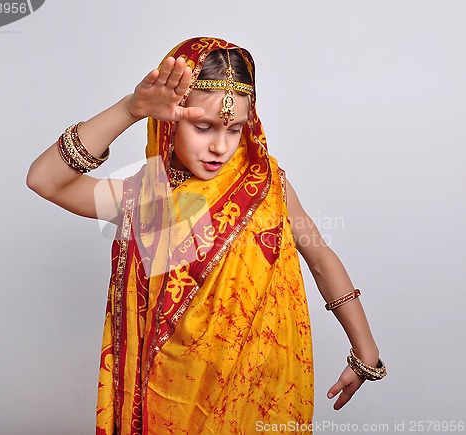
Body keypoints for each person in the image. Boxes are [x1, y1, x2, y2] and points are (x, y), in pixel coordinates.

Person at [27, 37, 386, 435]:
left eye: (234, 130)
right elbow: (46, 181)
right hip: (171, 402)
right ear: (169, 121)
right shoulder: (148, 200)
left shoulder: (265, 186)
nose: (220, 146)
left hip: (256, 393)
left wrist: (364, 348)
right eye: (203, 127)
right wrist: (129, 110)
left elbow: (319, 257)